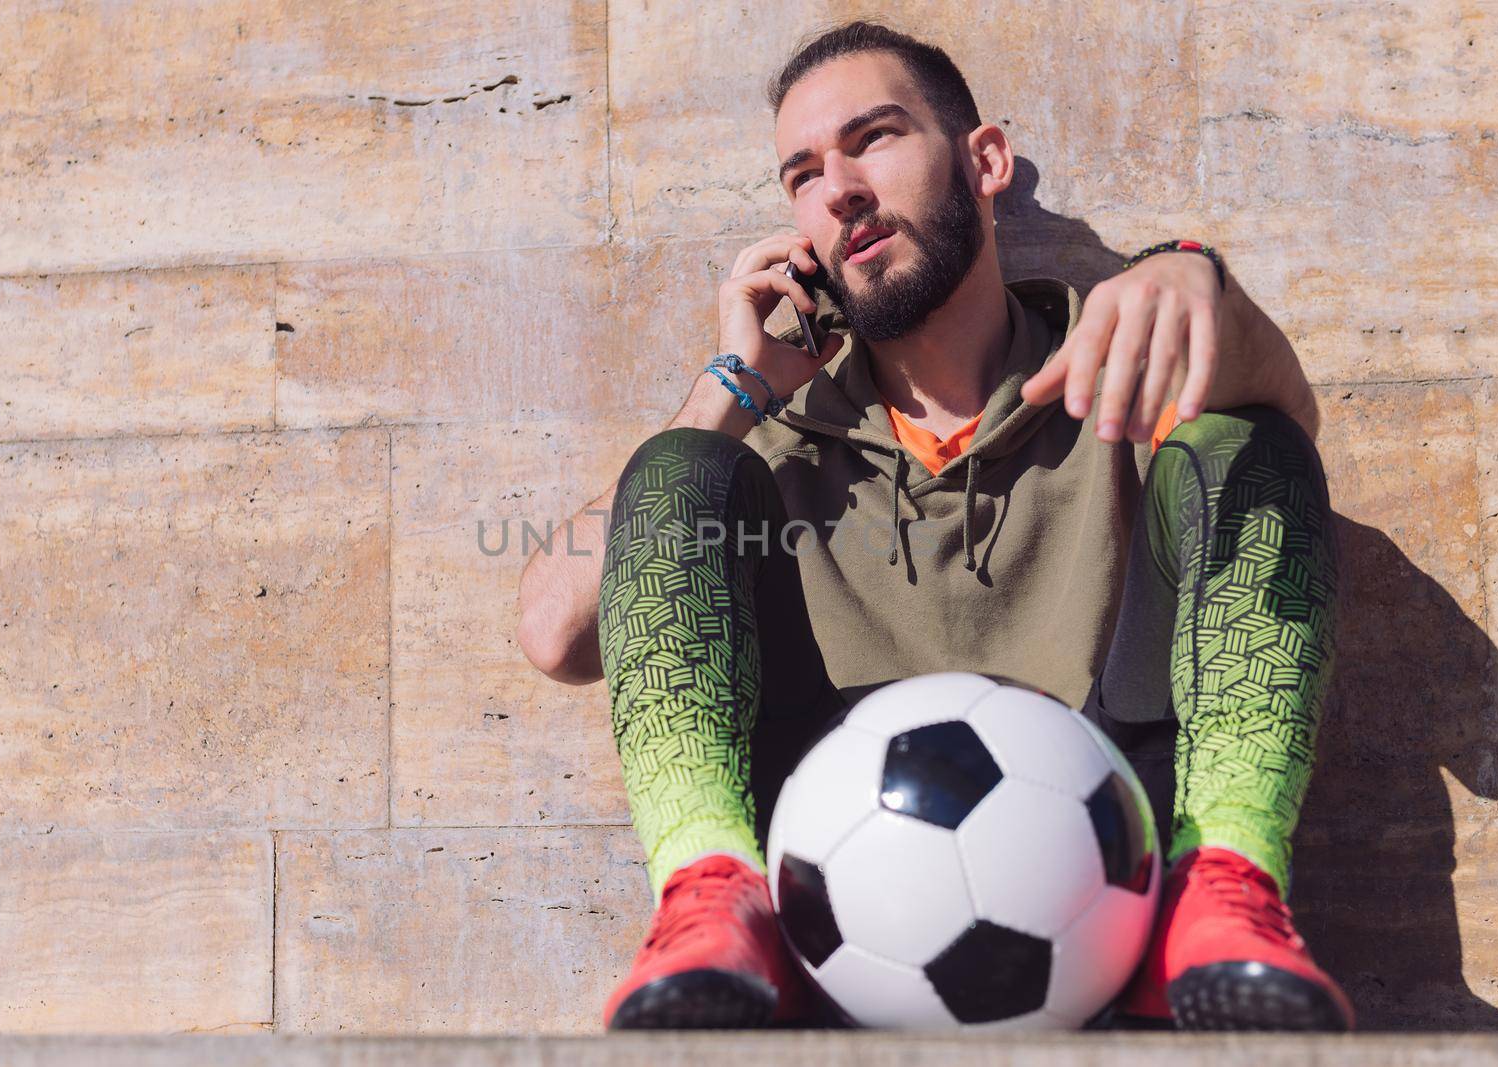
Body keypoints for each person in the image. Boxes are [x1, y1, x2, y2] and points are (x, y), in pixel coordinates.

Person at [516, 20, 1352, 1033]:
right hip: (827, 951)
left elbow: (1289, 437)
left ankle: (1222, 880)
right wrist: (731, 389)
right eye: (801, 175)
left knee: (1248, 448)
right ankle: (707, 893)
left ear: (982, 161)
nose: (838, 190)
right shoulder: (772, 451)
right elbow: (557, 634)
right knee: (676, 470)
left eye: (871, 138)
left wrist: (1199, 282)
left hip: (1114, 917)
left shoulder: (1123, 375)